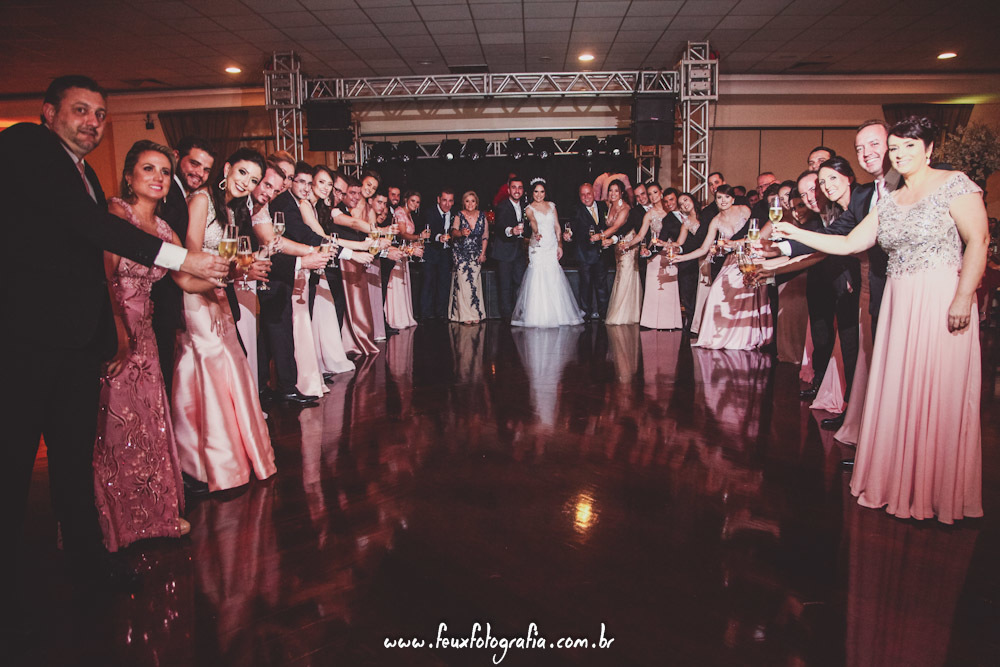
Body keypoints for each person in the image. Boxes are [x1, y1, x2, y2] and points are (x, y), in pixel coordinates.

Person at [2, 75, 227, 600]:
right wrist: (184, 258)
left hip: (80, 342)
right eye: (81, 110)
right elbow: (88, 227)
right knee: (13, 463)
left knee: (73, 460)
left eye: (100, 114)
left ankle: (88, 562)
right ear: (48, 112)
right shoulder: (28, 145)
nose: (93, 122)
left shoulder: (82, 173)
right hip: (28, 340)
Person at [773, 116, 988, 523]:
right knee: (898, 387)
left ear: (929, 149)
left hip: (941, 297)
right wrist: (792, 231)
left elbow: (979, 240)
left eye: (909, 146)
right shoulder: (890, 199)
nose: (899, 154)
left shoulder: (954, 183)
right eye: (895, 148)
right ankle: (899, 481)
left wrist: (964, 297)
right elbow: (848, 242)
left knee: (937, 387)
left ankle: (937, 489)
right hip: (898, 302)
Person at [96, 141, 218, 551]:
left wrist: (227, 274)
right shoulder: (117, 215)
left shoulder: (165, 230)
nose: (158, 177)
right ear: (129, 176)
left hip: (147, 339)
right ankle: (114, 523)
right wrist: (116, 330)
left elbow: (186, 280)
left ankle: (152, 514)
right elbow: (102, 276)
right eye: (148, 169)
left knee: (148, 426)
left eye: (165, 171)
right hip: (118, 332)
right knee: (116, 428)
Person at [172, 148, 277, 493]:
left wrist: (243, 269)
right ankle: (202, 464)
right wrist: (218, 284)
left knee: (233, 366)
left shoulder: (231, 209)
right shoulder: (202, 200)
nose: (247, 183)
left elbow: (228, 262)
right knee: (210, 364)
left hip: (217, 291)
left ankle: (236, 456)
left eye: (254, 179)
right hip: (194, 293)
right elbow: (190, 256)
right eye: (243, 173)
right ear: (228, 168)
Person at [674, 185, 773, 350]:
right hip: (732, 260)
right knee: (716, 291)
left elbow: (754, 233)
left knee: (748, 294)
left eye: (726, 197)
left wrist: (738, 244)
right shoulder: (716, 220)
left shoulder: (744, 210)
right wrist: (682, 257)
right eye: (719, 198)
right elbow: (703, 248)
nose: (723, 201)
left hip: (752, 256)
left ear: (732, 199)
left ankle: (746, 335)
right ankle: (721, 335)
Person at [153, 136, 215, 396]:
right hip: (159, 293)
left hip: (177, 288)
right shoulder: (170, 194)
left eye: (206, 169)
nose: (199, 173)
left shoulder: (180, 194)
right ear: (177, 156)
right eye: (194, 164)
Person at [511, 178, 583, 327]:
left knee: (554, 277)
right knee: (537, 278)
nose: (539, 195)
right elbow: (533, 222)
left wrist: (560, 245)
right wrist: (536, 232)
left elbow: (557, 226)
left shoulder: (551, 206)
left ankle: (558, 315)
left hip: (551, 245)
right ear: (532, 193)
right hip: (538, 247)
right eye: (536, 192)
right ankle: (537, 316)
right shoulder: (529, 208)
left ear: (545, 192)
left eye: (542, 191)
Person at [628, 183, 686, 330]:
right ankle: (651, 322)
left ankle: (670, 322)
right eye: (649, 194)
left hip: (671, 252)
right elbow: (640, 235)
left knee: (669, 287)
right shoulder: (649, 214)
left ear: (661, 192)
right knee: (654, 287)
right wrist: (627, 245)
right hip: (654, 253)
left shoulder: (673, 210)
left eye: (655, 192)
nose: (652, 196)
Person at [566, 182, 610, 319]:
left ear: (594, 194)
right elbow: (571, 226)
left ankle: (604, 315)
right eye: (583, 195)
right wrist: (568, 234)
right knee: (586, 285)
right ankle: (586, 314)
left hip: (602, 253)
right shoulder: (576, 210)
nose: (586, 197)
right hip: (584, 254)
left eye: (588, 194)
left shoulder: (603, 206)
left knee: (602, 285)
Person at [489, 175, 528, 321]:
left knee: (519, 283)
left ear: (523, 190)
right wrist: (511, 231)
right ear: (508, 190)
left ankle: (518, 315)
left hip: (519, 252)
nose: (517, 190)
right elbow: (499, 226)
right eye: (514, 187)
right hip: (504, 252)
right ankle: (506, 318)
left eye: (520, 188)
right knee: (505, 286)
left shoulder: (526, 206)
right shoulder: (502, 206)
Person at [603, 180, 641, 325]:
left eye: (616, 191)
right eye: (610, 190)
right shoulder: (609, 205)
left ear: (621, 193)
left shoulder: (625, 208)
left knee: (626, 273)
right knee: (620, 274)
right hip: (616, 244)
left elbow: (616, 227)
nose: (613, 193)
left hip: (627, 243)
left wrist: (601, 237)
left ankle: (623, 314)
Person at [449, 190, 489, 323]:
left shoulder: (482, 216)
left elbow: (485, 236)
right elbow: (453, 232)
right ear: (463, 203)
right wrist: (461, 233)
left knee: (474, 283)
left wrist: (483, 254)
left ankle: (476, 313)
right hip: (460, 253)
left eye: (472, 201)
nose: (470, 204)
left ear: (476, 203)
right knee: (463, 283)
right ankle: (464, 315)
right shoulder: (459, 215)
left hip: (476, 254)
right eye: (467, 201)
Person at [420, 187, 456, 320]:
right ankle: (425, 314)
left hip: (446, 253)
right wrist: (438, 237)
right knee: (428, 282)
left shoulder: (455, 214)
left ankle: (441, 313)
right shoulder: (429, 212)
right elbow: (428, 231)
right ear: (438, 199)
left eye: (450, 201)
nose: (447, 204)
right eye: (444, 200)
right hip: (431, 252)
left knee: (444, 283)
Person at [674, 192, 706, 332]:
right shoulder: (686, 223)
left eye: (686, 200)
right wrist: (667, 245)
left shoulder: (706, 215)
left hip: (708, 256)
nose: (684, 204)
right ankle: (692, 321)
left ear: (692, 199)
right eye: (681, 204)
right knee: (689, 289)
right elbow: (679, 243)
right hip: (692, 259)